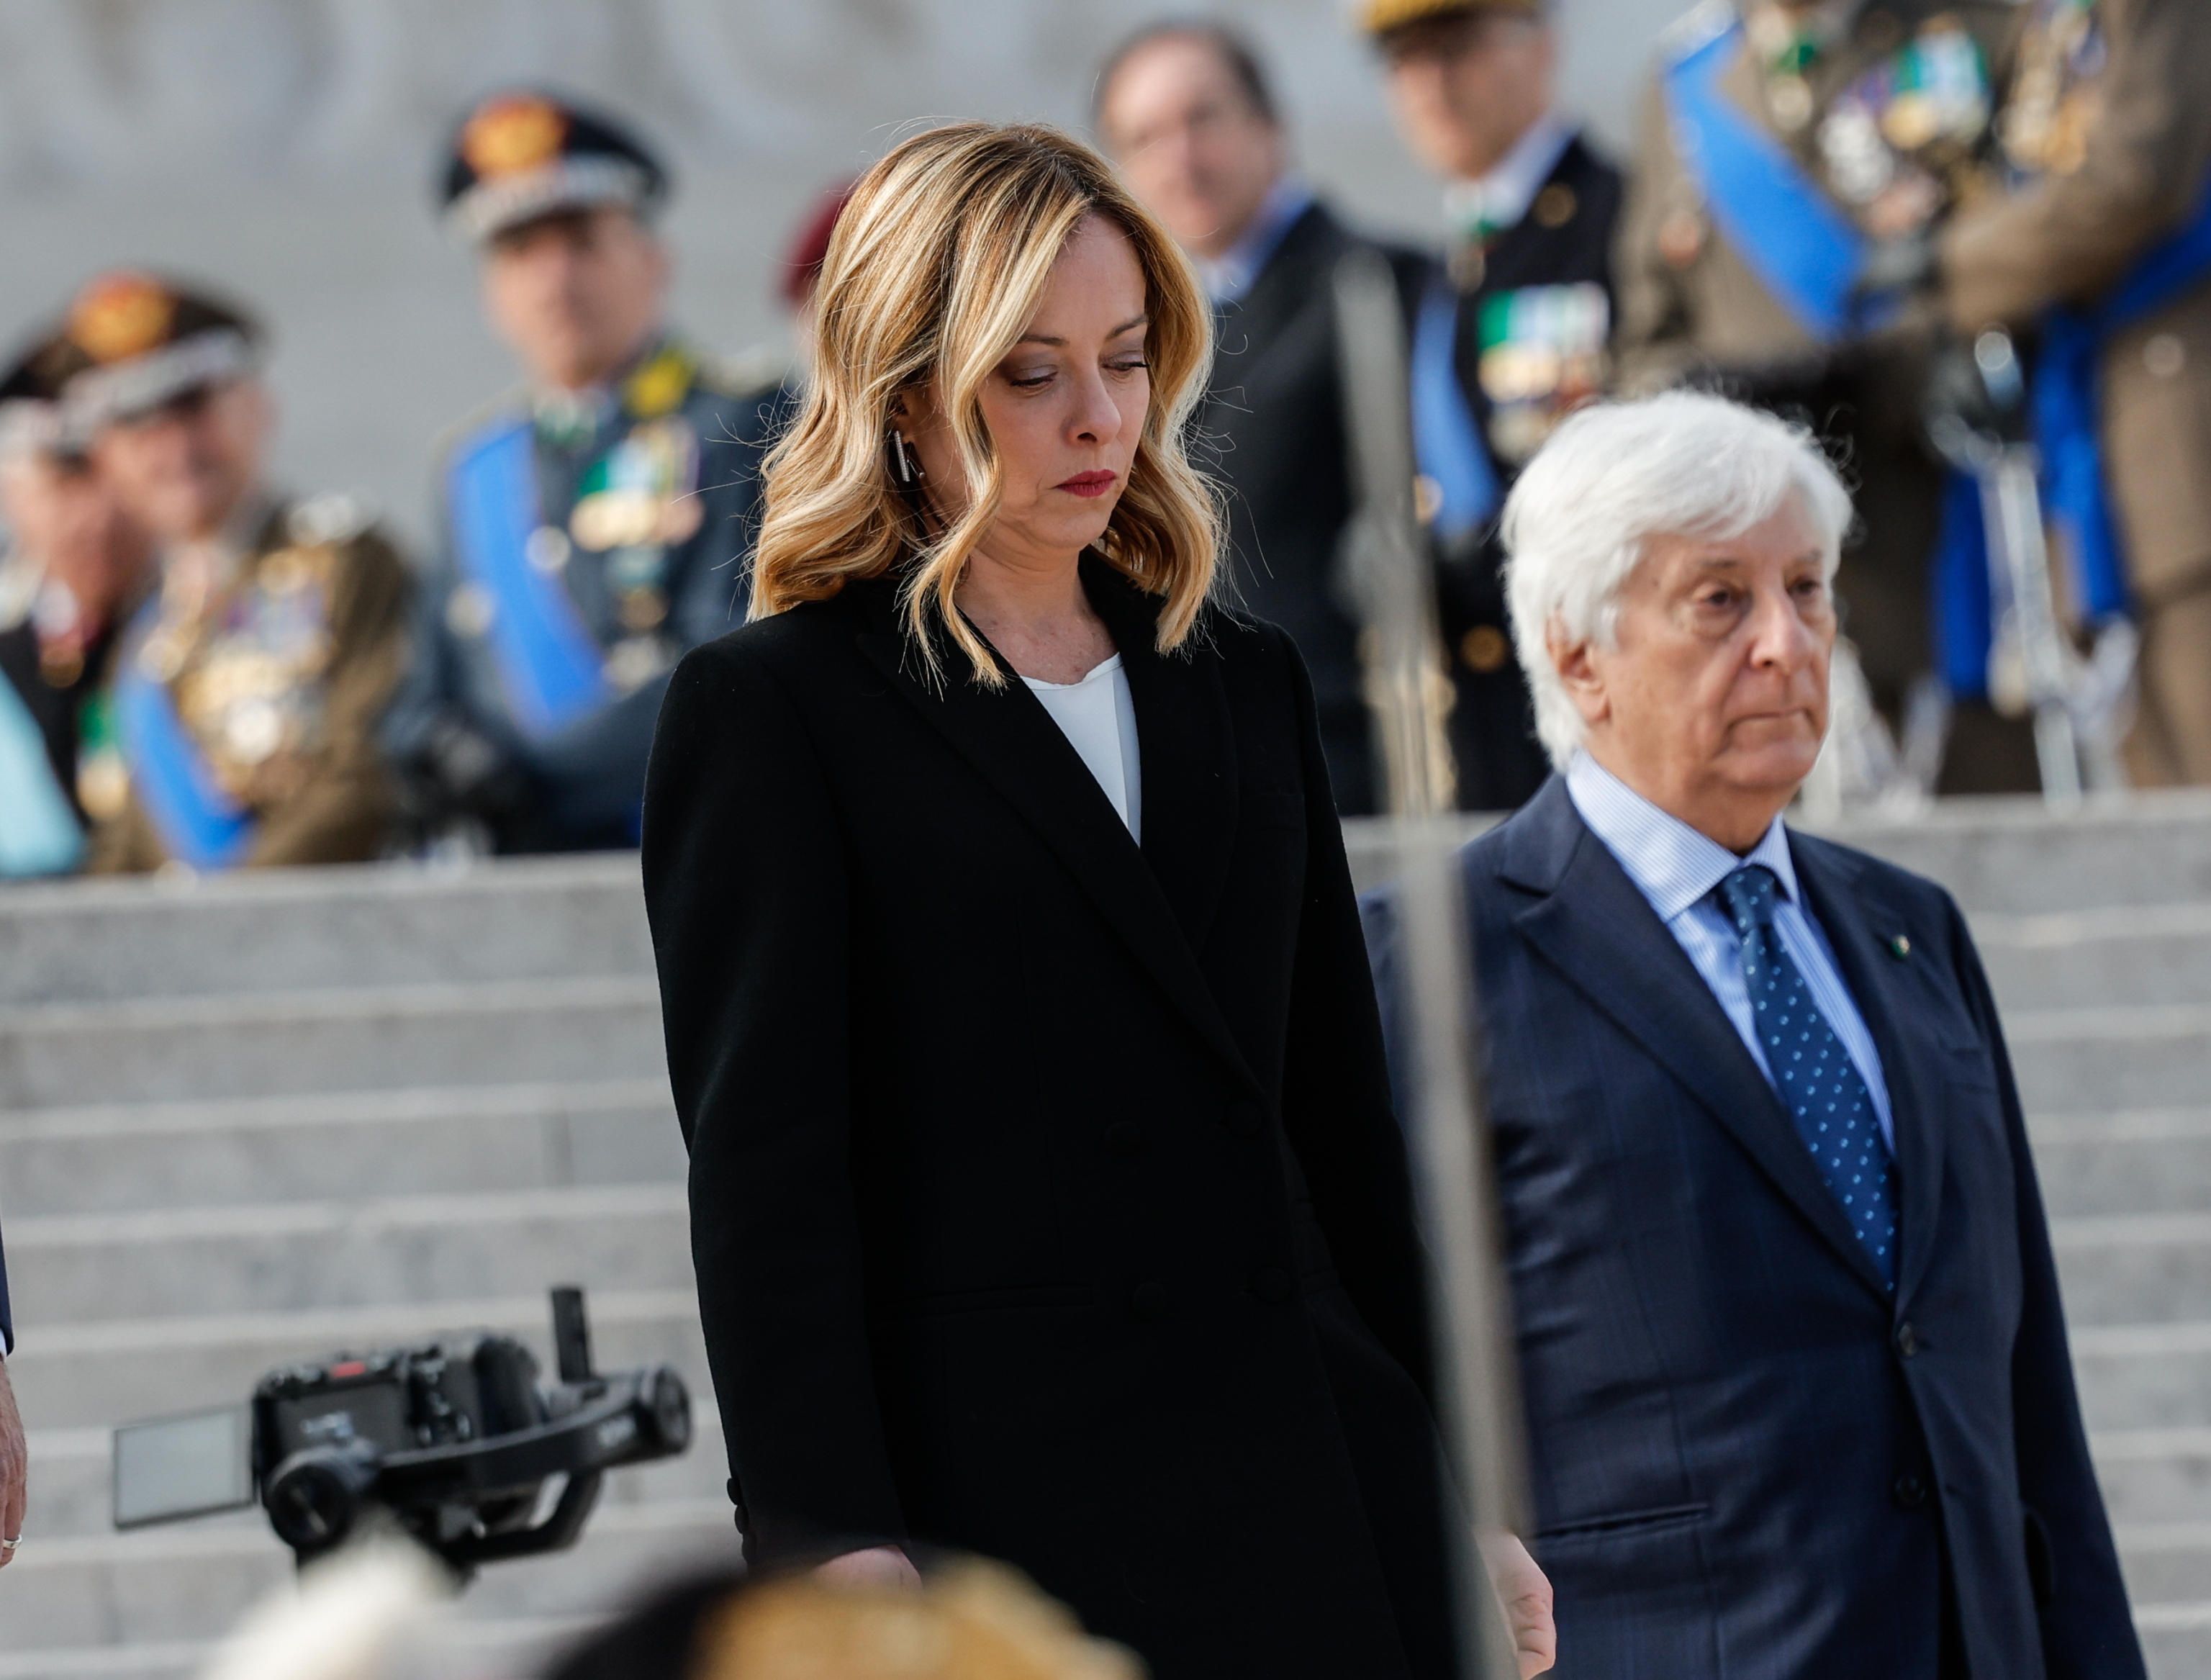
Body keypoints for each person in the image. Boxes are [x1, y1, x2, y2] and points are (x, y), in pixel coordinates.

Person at [643, 120, 1552, 1680]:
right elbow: (768, 1181)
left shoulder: (1243, 686)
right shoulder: (774, 711)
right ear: (907, 391)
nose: (1098, 419)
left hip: (1321, 1487)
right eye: (1030, 371)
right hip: (1003, 1535)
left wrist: (1465, 1487)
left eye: (1127, 360)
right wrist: (827, 1541)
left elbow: (1336, 1127)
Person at [1366, 392, 2144, 1678]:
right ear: (1575, 653)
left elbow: (2027, 1402)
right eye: (1720, 599)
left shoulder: (1912, 929)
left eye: (1808, 587)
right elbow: (1390, 1387)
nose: (1790, 643)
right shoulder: (1434, 959)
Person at [1613, 0, 2034, 792]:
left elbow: (2045, 241)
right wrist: (1725, 410)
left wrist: (1923, 354)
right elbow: (1647, 341)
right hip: (1768, 584)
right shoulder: (1681, 87)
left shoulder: (1963, 31)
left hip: (1949, 537)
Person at [384, 90, 773, 854]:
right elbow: (421, 698)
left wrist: (529, 779)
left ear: (654, 261)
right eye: (521, 252)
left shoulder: (742, 423)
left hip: (694, 851)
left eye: (583, 241)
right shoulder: (473, 472)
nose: (555, 279)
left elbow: (733, 671)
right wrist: (441, 756)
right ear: (491, 294)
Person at [1095, 22, 1426, 816]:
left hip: (1345, 755)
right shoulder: (1133, 328)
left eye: (1201, 118)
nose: (1181, 157)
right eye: (1147, 137)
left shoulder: (1381, 289)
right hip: (1193, 757)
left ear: (1268, 125)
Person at [1930, 0, 2211, 786]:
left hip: (2180, 430)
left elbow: (2135, 182)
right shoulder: (2041, 19)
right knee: (2157, 820)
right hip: (2094, 425)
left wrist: (1949, 270)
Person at [50, 273, 410, 873]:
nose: (174, 446)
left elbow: (368, 776)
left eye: (192, 407)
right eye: (138, 424)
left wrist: (232, 924)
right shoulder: (143, 641)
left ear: (257, 405)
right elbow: (127, 844)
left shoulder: (347, 566)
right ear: (105, 458)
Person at [1365, 0, 1622, 811]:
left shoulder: (1619, 220)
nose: (1432, 86)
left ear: (1540, 47)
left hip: (1601, 689)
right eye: (1405, 61)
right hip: (1483, 718)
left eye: (1458, 48)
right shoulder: (1445, 265)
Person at [0, 327, 153, 875]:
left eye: (121, 473)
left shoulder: (209, 618)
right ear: (10, 489)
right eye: (67, 478)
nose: (100, 512)